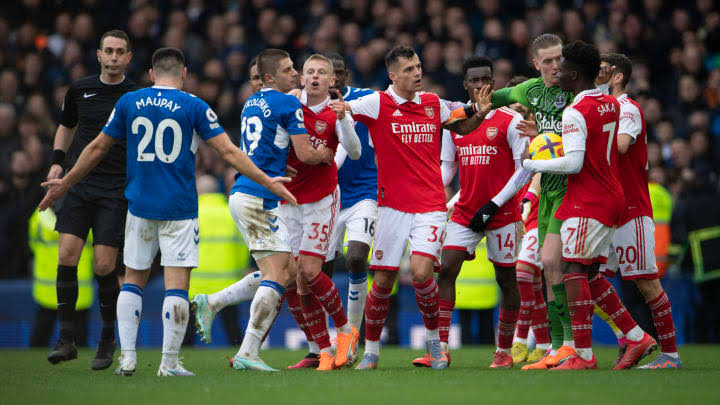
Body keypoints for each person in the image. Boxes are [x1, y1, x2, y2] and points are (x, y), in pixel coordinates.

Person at [39, 47, 295, 377]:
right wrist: (267, 181)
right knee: (177, 287)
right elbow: (228, 151)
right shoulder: (194, 105)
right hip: (179, 207)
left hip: (139, 204)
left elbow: (96, 148)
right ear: (184, 74)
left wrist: (67, 181)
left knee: (132, 280)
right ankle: (169, 363)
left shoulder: (129, 102)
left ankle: (127, 358)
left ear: (150, 74)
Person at [339, 45, 494, 370]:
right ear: (393, 75)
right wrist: (336, 111)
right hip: (391, 206)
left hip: (429, 204)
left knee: (423, 273)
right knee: (382, 281)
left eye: (419, 66)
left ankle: (435, 344)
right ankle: (371, 351)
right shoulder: (376, 103)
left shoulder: (432, 103)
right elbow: (342, 113)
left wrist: (477, 115)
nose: (418, 73)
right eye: (409, 69)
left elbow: (460, 127)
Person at [522, 40, 657, 370]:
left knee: (572, 270)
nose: (558, 70)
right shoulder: (609, 103)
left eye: (563, 65)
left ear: (573, 73)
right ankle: (636, 336)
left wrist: (531, 164)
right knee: (590, 273)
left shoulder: (575, 111)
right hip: (611, 196)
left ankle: (582, 354)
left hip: (589, 199)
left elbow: (573, 164)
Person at [225, 48, 338, 372]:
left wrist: (278, 165)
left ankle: (315, 349)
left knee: (288, 274)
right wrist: (323, 154)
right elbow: (304, 153)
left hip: (248, 193)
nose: (298, 75)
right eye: (290, 70)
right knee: (282, 276)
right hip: (262, 197)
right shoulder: (288, 102)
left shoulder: (250, 102)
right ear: (271, 77)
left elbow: (265, 150)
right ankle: (247, 347)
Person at [426, 56, 531, 369]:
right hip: (465, 211)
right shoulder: (456, 121)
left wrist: (495, 204)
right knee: (446, 270)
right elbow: (448, 167)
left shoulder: (509, 120)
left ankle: (503, 351)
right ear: (465, 84)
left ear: (493, 83)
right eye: (473, 80)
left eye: (485, 79)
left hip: (502, 213)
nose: (479, 85)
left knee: (506, 280)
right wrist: (433, 197)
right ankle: (441, 348)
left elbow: (524, 169)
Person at [46, 30, 139, 370]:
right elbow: (66, 125)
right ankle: (66, 339)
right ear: (99, 55)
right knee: (67, 254)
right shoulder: (79, 89)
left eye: (120, 52)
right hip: (80, 184)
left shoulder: (135, 95)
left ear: (129, 58)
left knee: (103, 266)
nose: (114, 57)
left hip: (116, 188)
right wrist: (58, 159)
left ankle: (106, 340)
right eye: (108, 51)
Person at [598, 53, 681, 369]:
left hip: (631, 210)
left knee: (647, 284)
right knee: (590, 278)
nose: (596, 74)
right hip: (607, 212)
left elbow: (619, 146)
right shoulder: (601, 110)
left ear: (617, 77)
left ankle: (670, 355)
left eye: (603, 70)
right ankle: (632, 337)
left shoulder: (627, 109)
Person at [326, 52, 376, 366]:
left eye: (341, 72)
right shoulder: (307, 105)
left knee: (357, 257)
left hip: (365, 193)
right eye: (331, 73)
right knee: (319, 273)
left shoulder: (366, 99)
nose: (337, 78)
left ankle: (351, 339)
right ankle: (319, 345)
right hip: (326, 198)